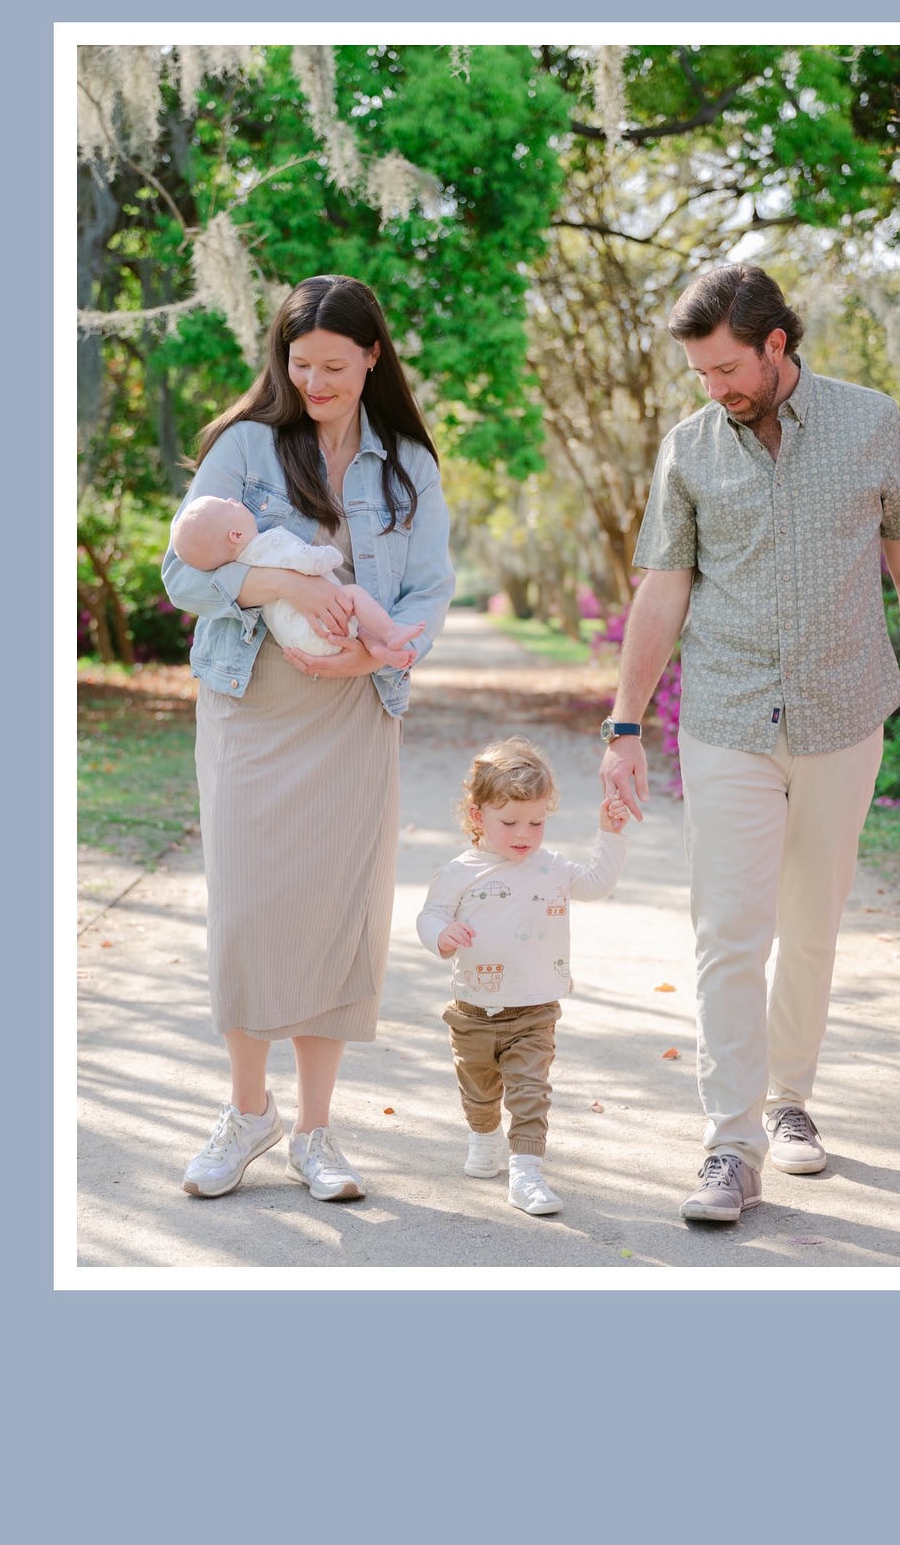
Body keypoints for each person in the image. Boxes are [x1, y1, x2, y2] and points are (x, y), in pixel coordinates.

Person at [598, 263, 900, 1224]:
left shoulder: (869, 421)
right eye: (700, 375)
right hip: (727, 719)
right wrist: (625, 725)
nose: (713, 389)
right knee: (728, 931)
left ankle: (792, 1101)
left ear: (776, 345)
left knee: (814, 923)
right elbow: (663, 586)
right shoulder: (689, 448)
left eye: (724, 370)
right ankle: (730, 1144)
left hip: (844, 714)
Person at [161, 273, 455, 1202]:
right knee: (248, 909)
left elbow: (430, 593)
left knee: (337, 913)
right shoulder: (246, 446)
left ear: (374, 356)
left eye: (335, 364)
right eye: (300, 365)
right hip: (253, 705)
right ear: (280, 363)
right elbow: (183, 572)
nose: (317, 382)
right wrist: (284, 587)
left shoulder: (408, 461)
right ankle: (249, 1111)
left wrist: (368, 664)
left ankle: (317, 1133)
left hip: (354, 711)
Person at [416, 738, 630, 1217]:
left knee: (530, 1092)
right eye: (509, 822)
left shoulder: (550, 868)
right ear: (477, 817)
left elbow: (597, 884)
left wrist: (610, 835)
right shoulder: (458, 873)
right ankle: (483, 1134)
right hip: (474, 1010)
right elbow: (428, 915)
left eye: (536, 821)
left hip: (534, 1008)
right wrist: (442, 935)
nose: (524, 833)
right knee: (479, 1088)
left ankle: (527, 1172)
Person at [169, 493, 425, 668]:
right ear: (236, 534)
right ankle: (391, 633)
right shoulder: (269, 542)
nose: (234, 499)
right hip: (318, 624)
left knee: (357, 626)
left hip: (300, 642)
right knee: (355, 595)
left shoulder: (242, 567)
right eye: (229, 505)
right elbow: (306, 560)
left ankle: (377, 650)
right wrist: (330, 556)